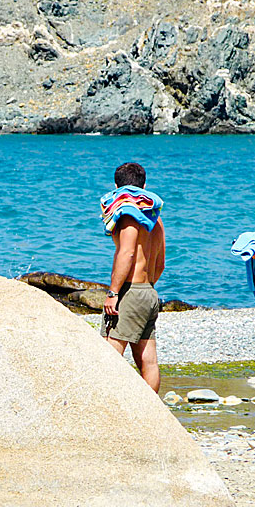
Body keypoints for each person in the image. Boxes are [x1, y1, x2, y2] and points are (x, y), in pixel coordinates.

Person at [101, 162, 166, 393]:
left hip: (130, 291)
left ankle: (112, 411)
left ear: (116, 186)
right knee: (148, 360)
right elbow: (160, 263)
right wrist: (146, 287)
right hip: (149, 291)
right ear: (144, 186)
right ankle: (152, 416)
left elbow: (127, 253)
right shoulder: (155, 219)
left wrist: (113, 293)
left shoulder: (129, 215)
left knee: (109, 355)